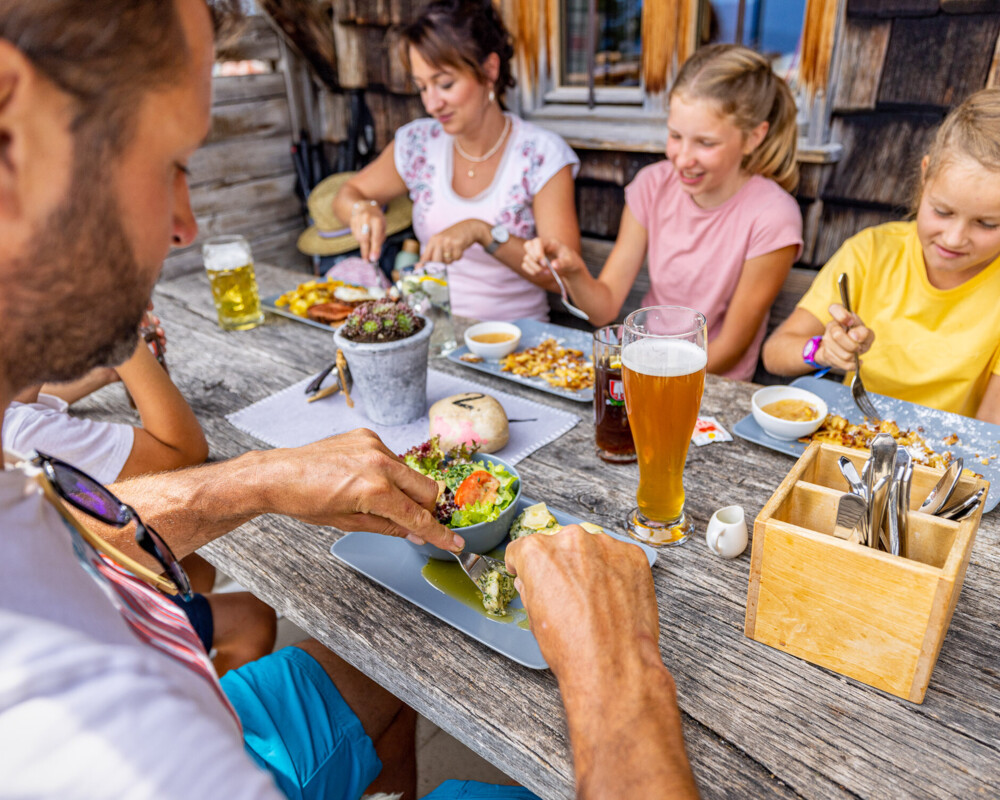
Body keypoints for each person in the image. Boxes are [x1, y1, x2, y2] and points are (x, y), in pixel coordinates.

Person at [0, 1, 698, 798]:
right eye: (172, 162)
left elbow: (54, 540)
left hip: (213, 699)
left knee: (383, 672)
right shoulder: (100, 745)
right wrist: (622, 677)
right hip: (199, 732)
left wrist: (251, 480)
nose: (186, 226)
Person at [5, 319, 277, 677]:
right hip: (84, 631)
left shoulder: (14, 418)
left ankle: (182, 653)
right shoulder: (23, 431)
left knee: (194, 561)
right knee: (254, 616)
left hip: (37, 611)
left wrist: (103, 374)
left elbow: (25, 406)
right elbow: (184, 449)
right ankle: (204, 715)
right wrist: (123, 334)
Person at [523, 44, 803, 380]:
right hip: (644, 369)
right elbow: (604, 308)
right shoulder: (652, 186)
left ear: (754, 137)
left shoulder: (773, 216)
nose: (683, 158)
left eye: (706, 143)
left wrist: (651, 380)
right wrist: (571, 269)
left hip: (707, 385)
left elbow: (732, 345)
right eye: (675, 136)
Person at [332, 0, 582, 322]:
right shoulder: (418, 144)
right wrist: (360, 210)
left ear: (489, 70)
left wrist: (484, 233)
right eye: (422, 87)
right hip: (429, 334)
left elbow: (563, 276)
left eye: (445, 83)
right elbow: (346, 194)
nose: (432, 103)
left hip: (514, 345)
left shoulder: (541, 155)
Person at [762, 88, 1000, 422]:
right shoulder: (871, 253)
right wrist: (822, 350)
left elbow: (991, 432)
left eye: (987, 224)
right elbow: (775, 353)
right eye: (942, 211)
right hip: (852, 438)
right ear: (925, 176)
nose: (955, 237)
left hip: (952, 457)